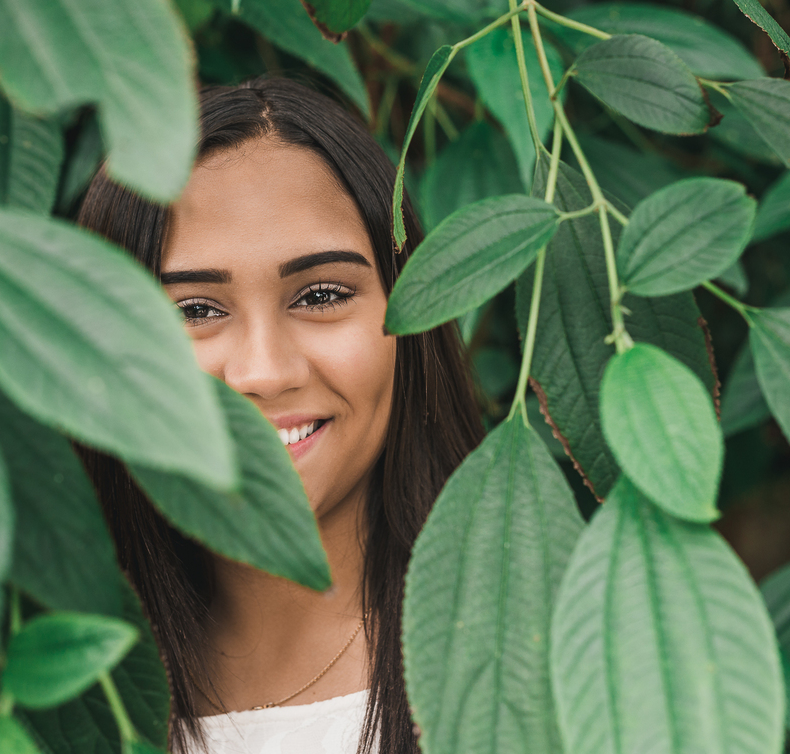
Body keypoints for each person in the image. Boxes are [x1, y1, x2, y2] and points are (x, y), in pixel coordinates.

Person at [71, 75, 485, 754]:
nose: (263, 372)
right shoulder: (28, 686)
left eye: (321, 295)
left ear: (414, 317)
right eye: (194, 311)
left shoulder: (555, 664)